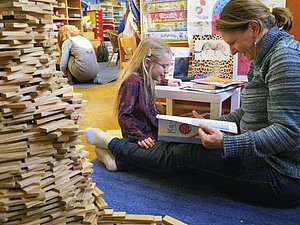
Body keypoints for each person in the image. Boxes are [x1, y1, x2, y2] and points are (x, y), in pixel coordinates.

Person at [85, 0, 300, 206]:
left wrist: (226, 143)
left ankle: (114, 147)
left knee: (183, 156)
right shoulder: (262, 56)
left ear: (254, 28)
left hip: (281, 173)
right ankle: (119, 152)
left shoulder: (284, 59)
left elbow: (288, 133)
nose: (233, 51)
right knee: (183, 144)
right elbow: (246, 113)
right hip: (260, 154)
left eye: (233, 42)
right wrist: (212, 122)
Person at [87, 37, 181, 170]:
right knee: (157, 158)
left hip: (150, 132)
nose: (166, 72)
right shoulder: (132, 81)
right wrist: (139, 136)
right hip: (139, 136)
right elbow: (124, 115)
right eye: (164, 66)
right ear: (148, 62)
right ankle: (112, 152)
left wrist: (165, 82)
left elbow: (153, 77)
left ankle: (117, 158)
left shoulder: (146, 77)